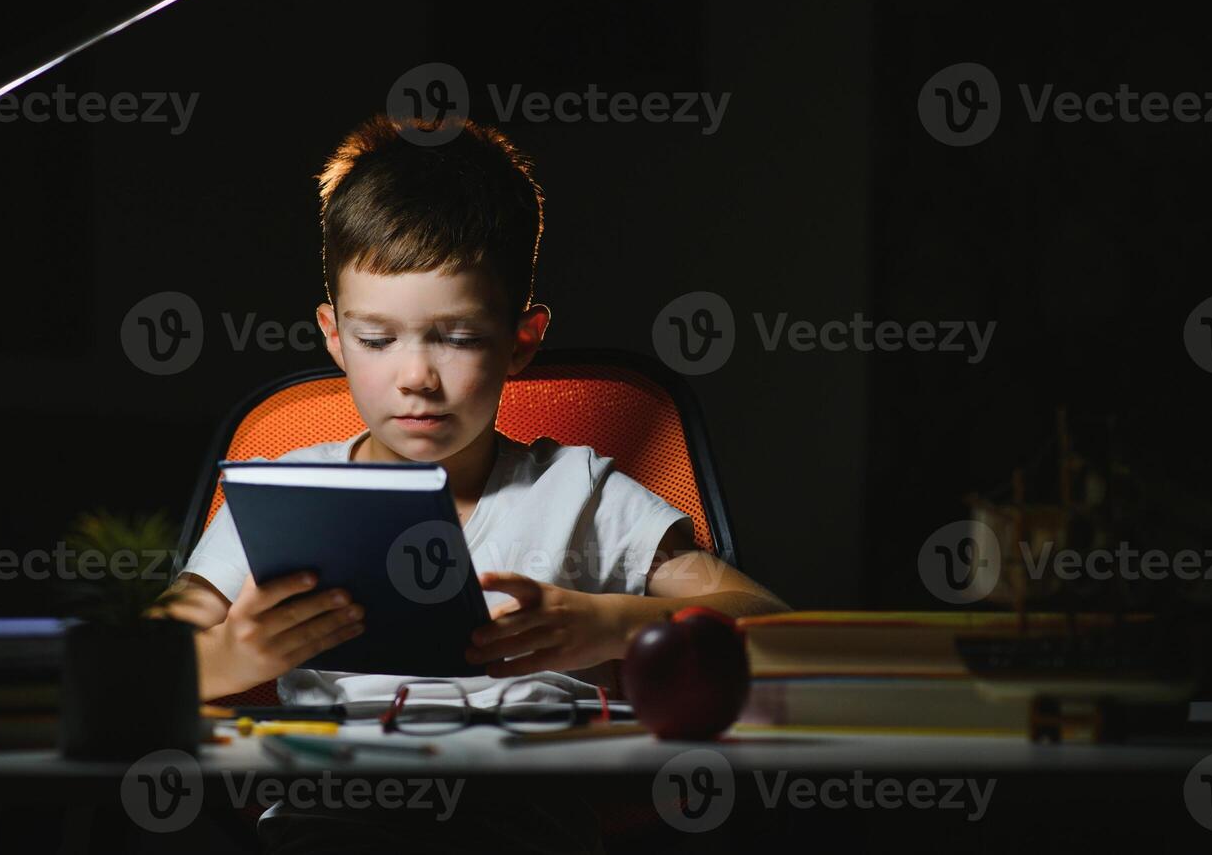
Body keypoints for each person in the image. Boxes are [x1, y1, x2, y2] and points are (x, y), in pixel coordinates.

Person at [162, 114, 789, 853]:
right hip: (335, 822)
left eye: (456, 337)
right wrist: (234, 657)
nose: (416, 377)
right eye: (375, 339)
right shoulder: (283, 492)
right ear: (333, 336)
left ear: (520, 342)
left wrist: (613, 624)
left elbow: (772, 626)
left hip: (522, 823)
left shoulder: (576, 493)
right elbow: (138, 662)